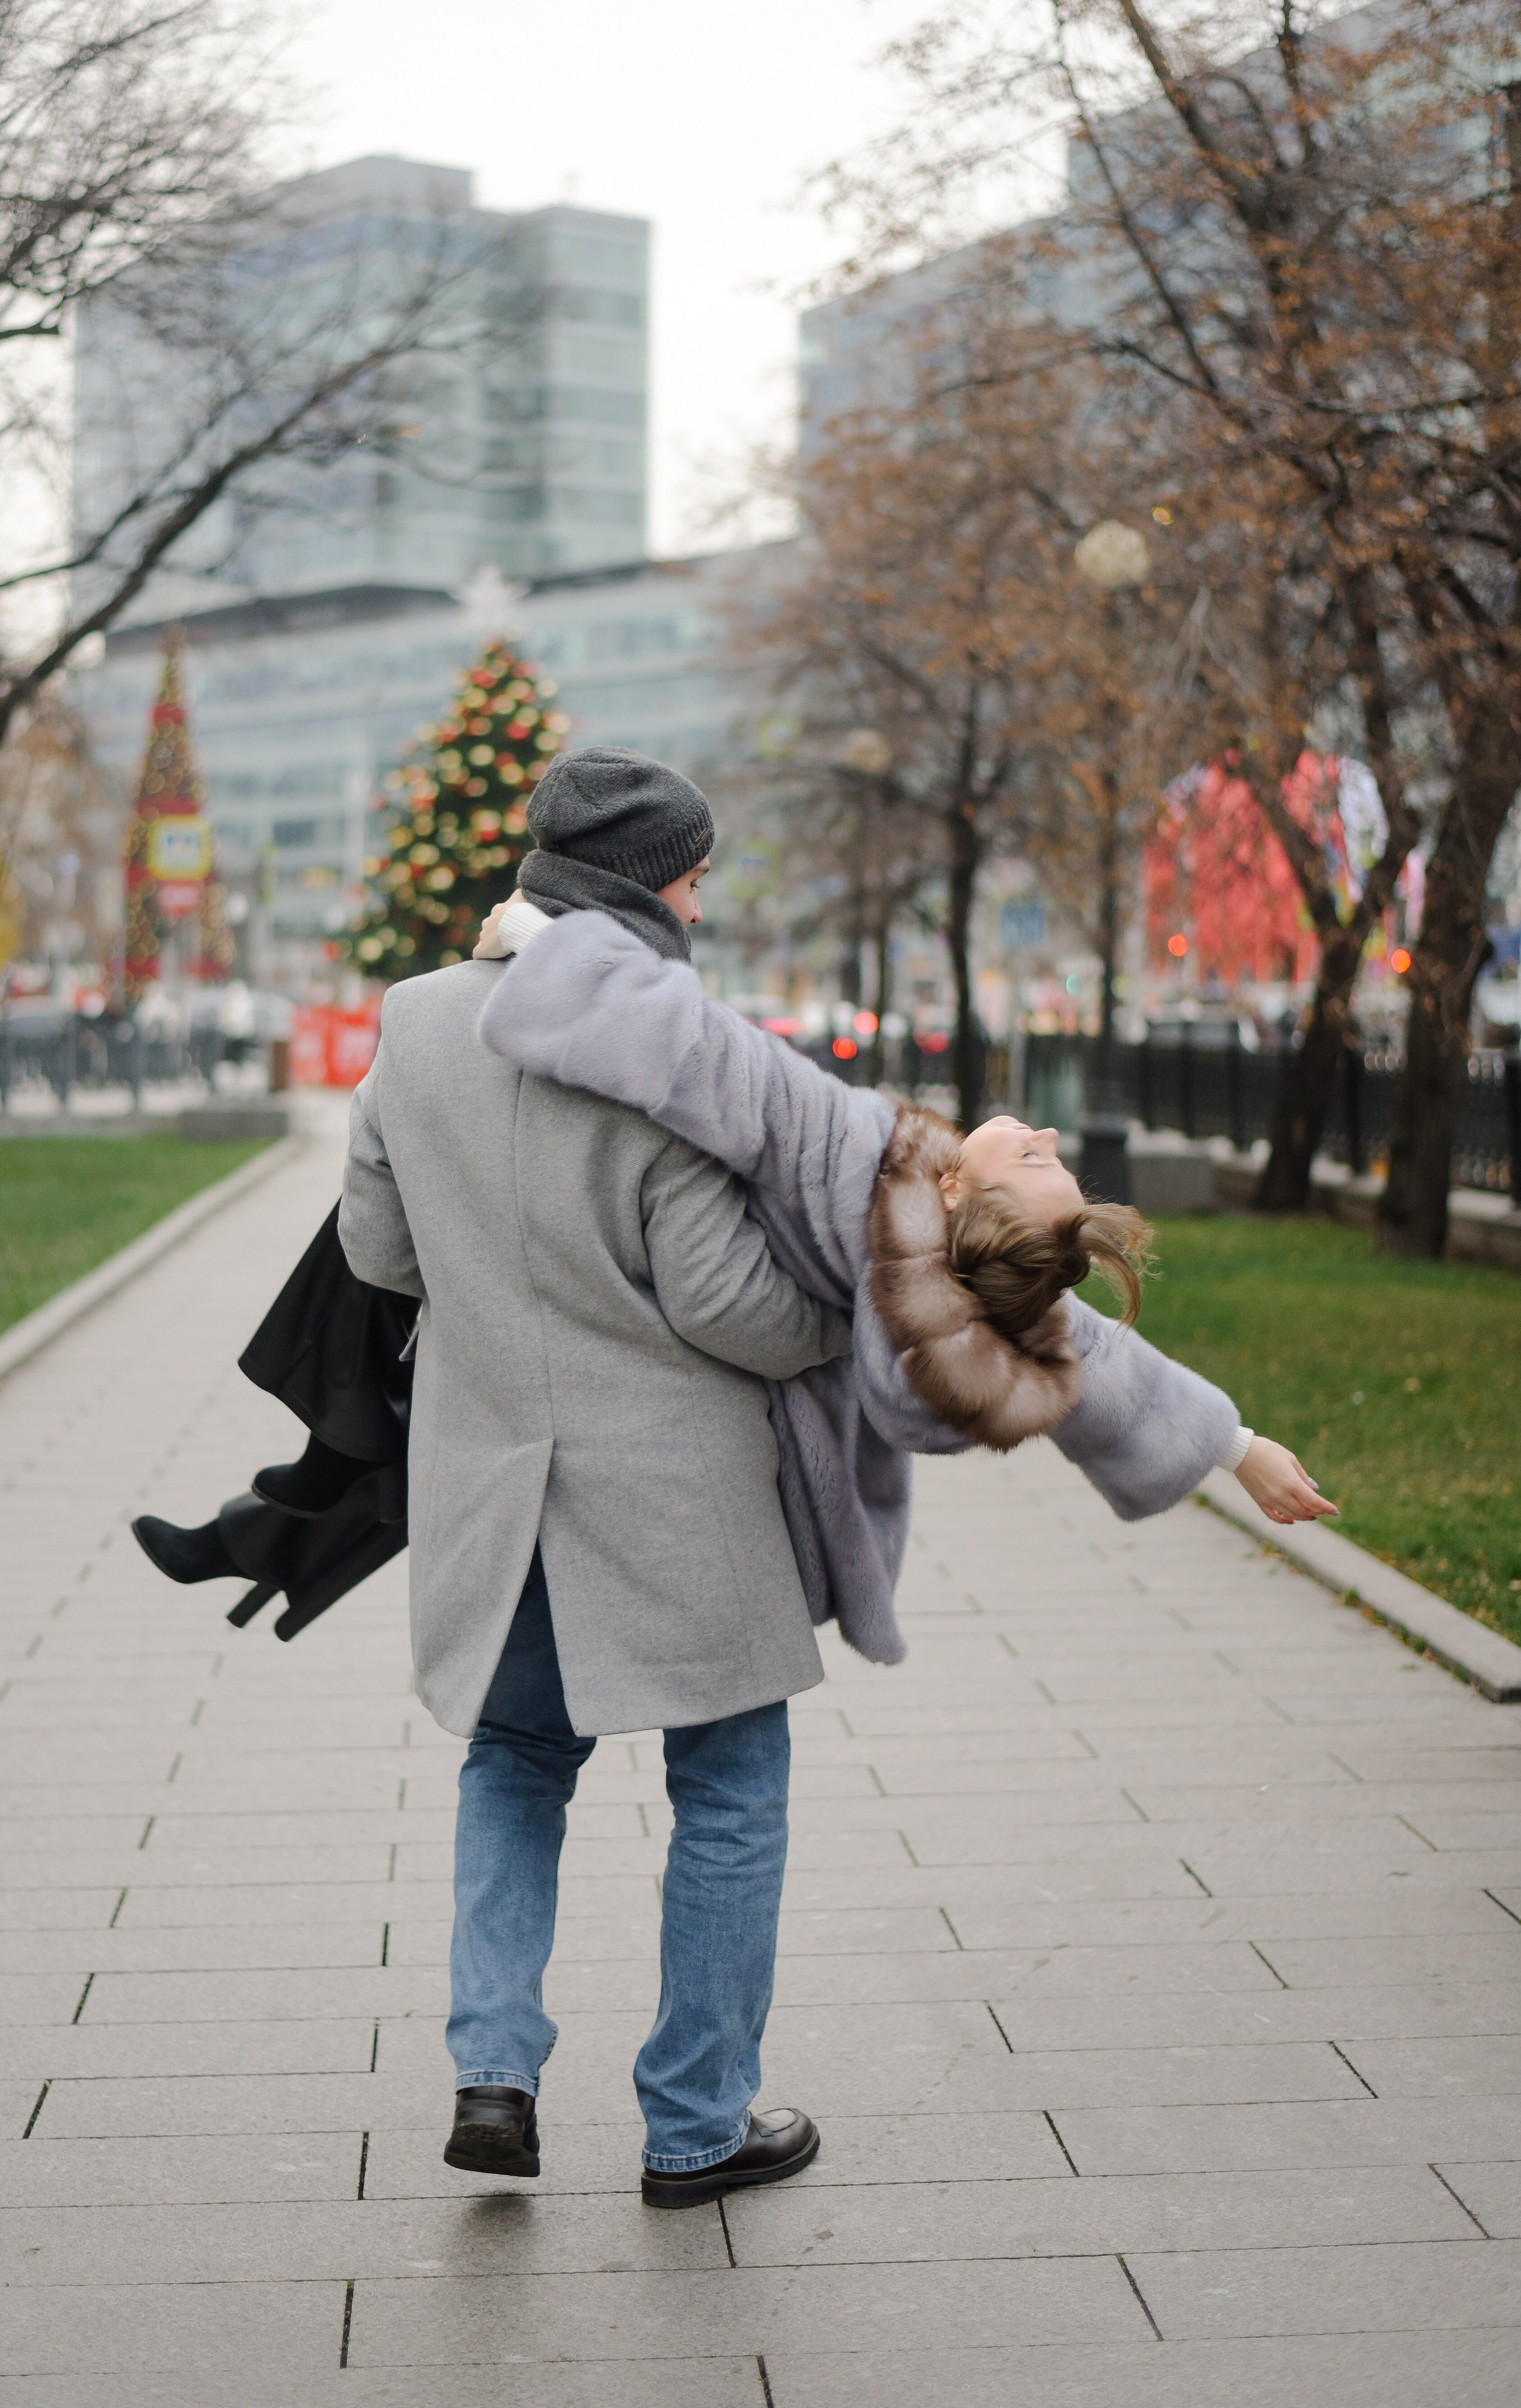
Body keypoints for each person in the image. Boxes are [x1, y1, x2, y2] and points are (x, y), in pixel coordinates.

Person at [337, 745, 855, 2211]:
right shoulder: (666, 1041)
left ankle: (492, 2071)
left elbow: (377, 1254)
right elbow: (723, 1304)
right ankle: (695, 2127)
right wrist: (843, 1311)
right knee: (732, 1785)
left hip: (490, 1488)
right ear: (654, 885)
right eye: (697, 864)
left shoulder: (417, 1019)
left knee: (510, 1763)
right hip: (673, 1492)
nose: (707, 886)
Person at [470, 800, 1334, 1668]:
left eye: (1035, 1160)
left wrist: (542, 939)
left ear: (954, 1189)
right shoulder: (953, 1290)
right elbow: (1096, 1355)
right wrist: (1240, 1450)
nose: (1051, 1137)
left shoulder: (854, 1155)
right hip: (787, 1486)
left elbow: (707, 1051)